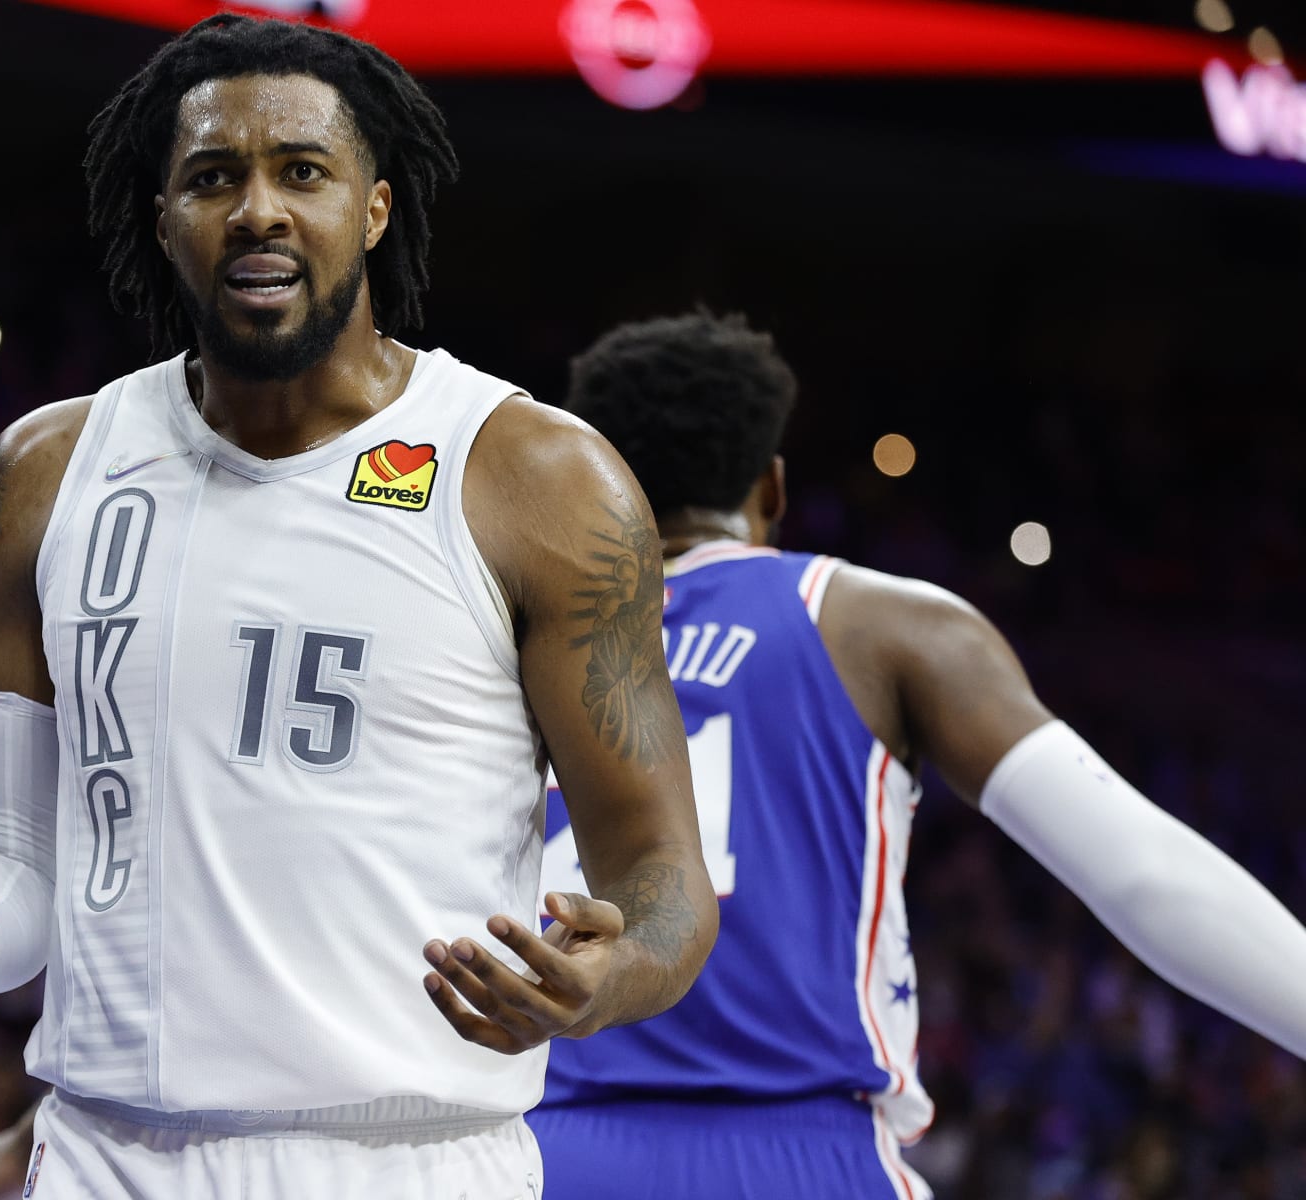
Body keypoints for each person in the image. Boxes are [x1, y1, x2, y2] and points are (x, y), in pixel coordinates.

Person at [0, 16, 718, 1199]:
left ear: (375, 209)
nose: (256, 209)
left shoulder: (536, 480)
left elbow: (661, 869)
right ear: (163, 222)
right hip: (103, 1154)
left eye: (302, 171)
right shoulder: (44, 474)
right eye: (213, 177)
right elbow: (11, 872)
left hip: (412, 1160)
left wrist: (611, 982)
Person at [526, 309, 1306, 1198]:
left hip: (533, 1153)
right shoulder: (876, 622)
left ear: (594, 485)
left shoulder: (510, 644)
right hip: (799, 1154)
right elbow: (1144, 874)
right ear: (773, 491)